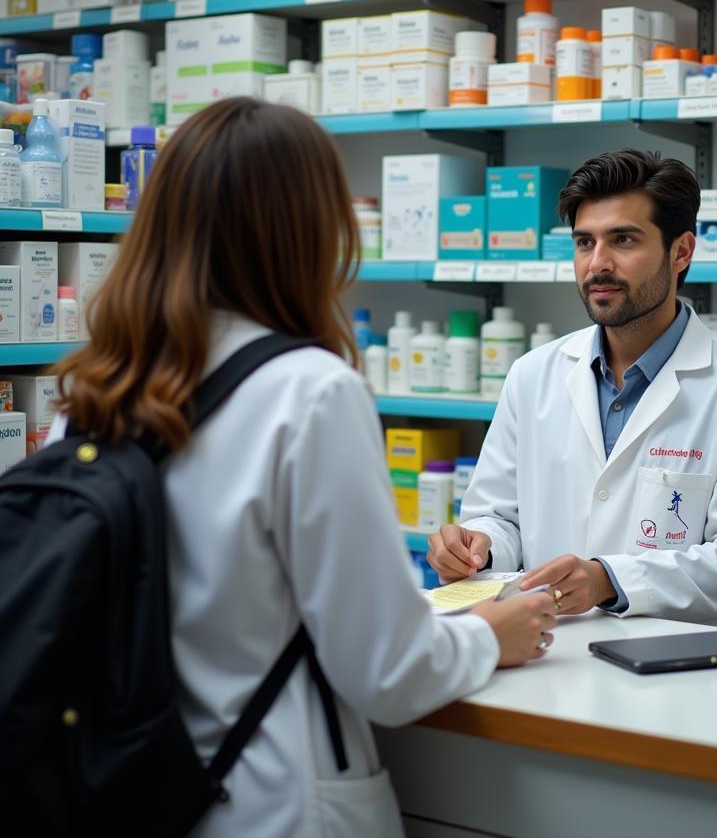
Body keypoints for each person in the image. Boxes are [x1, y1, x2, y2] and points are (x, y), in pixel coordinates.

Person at [48, 97, 556, 837]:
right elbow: (387, 671)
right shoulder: (309, 391)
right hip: (266, 800)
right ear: (308, 228)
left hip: (126, 786)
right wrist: (491, 635)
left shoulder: (95, 389)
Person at [428, 149, 717, 628]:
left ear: (681, 251)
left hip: (684, 671)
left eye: (623, 239)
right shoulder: (532, 375)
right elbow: (498, 516)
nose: (597, 264)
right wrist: (477, 545)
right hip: (552, 654)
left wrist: (609, 579)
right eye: (584, 242)